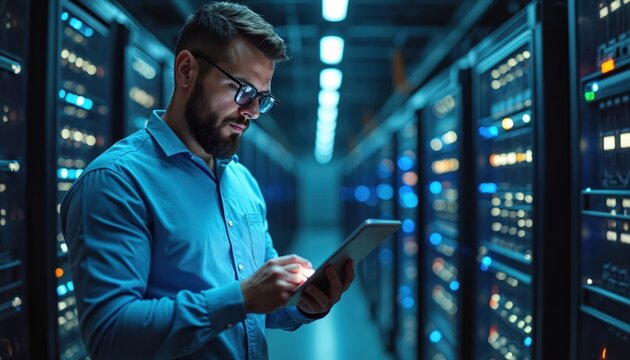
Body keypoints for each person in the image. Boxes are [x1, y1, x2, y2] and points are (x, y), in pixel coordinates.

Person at [60, 2, 355, 359]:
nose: (254, 112)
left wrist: (303, 303)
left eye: (263, 99)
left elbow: (262, 304)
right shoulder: (116, 182)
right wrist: (241, 297)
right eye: (244, 91)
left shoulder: (243, 183)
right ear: (186, 70)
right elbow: (110, 336)